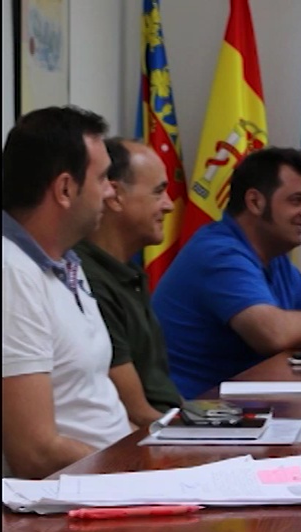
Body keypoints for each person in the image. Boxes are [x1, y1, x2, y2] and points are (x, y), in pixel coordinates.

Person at [152, 147, 301, 399]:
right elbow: (272, 334)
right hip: (193, 417)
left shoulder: (272, 256)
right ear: (255, 202)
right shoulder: (218, 253)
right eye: (296, 200)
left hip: (238, 409)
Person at [2, 106, 134, 479]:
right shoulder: (11, 273)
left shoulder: (66, 262)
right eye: (105, 178)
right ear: (64, 189)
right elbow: (35, 452)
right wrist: (131, 474)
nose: (111, 193)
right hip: (68, 513)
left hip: (112, 483)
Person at [74, 138, 185, 427]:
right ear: (114, 195)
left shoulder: (126, 272)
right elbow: (137, 413)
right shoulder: (90, 281)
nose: (169, 206)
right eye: (158, 192)